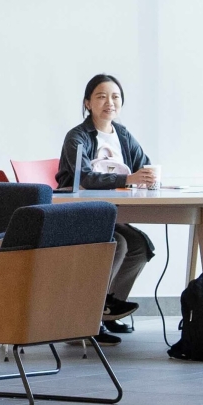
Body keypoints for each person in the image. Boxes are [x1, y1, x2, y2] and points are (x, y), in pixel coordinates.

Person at [56, 74, 157, 346]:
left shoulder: (122, 134)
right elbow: (84, 178)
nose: (109, 102)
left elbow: (143, 165)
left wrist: (149, 176)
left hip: (110, 211)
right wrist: (128, 179)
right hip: (78, 212)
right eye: (101, 96)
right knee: (118, 243)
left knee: (139, 245)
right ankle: (88, 319)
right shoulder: (77, 136)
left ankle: (109, 310)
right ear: (88, 103)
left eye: (115, 97)